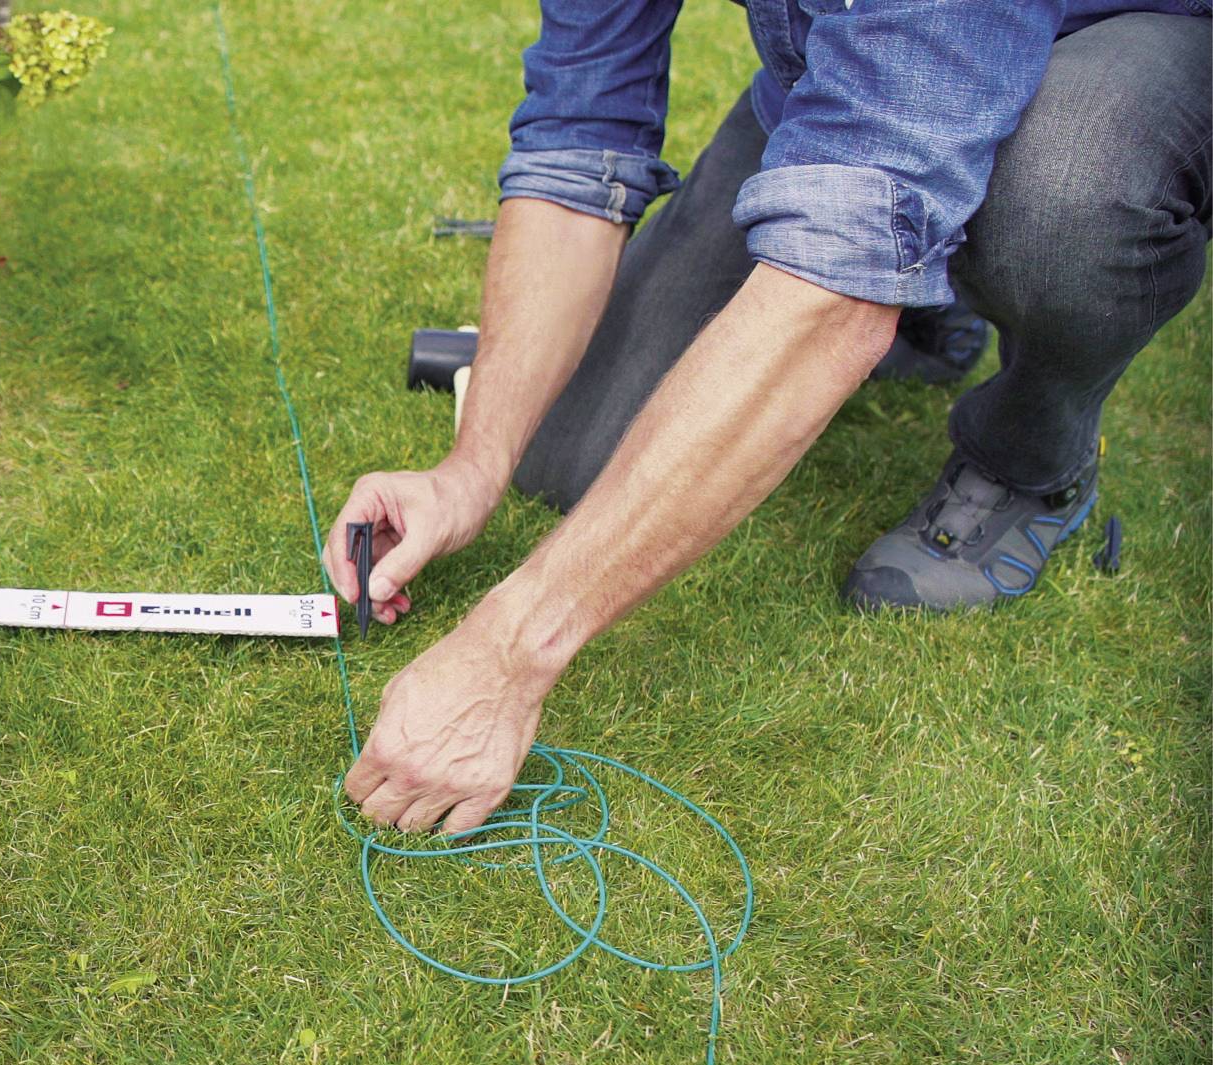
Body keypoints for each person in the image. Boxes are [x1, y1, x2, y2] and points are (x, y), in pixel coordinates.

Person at [321, 2, 1210, 837]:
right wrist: (473, 466)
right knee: (570, 455)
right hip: (847, 89)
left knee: (1061, 190)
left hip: (1121, 55)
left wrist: (506, 653)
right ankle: (931, 302)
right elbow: (576, 140)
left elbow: (838, 287)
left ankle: (1032, 456)